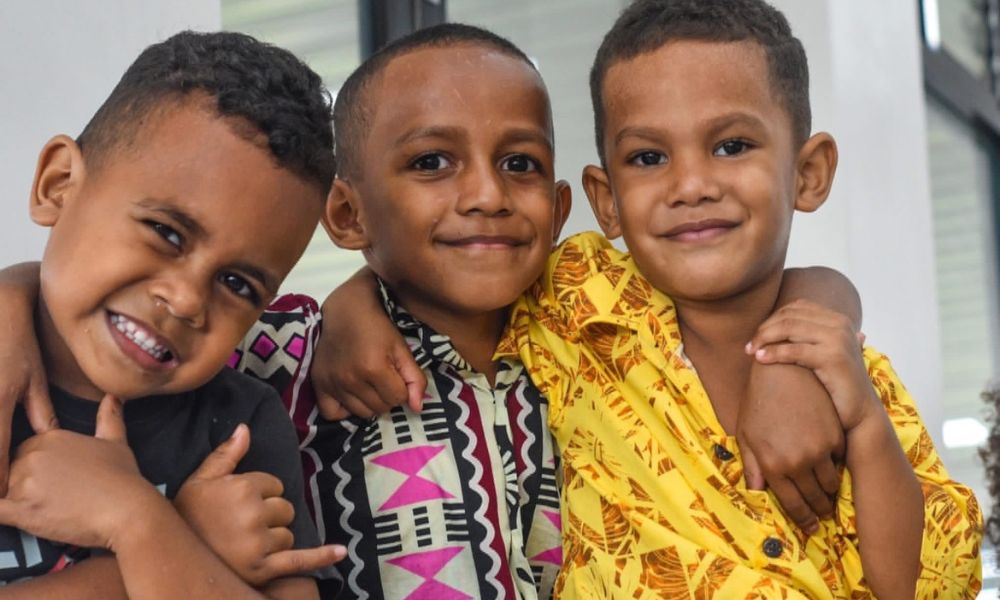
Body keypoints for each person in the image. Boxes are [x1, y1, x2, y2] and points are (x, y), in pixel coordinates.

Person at [315, 1, 983, 598]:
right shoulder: (578, 301)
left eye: (731, 145)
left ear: (807, 174)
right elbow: (449, 267)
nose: (691, 184)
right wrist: (355, 303)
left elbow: (921, 583)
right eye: (648, 158)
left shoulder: (849, 373)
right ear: (605, 200)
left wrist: (857, 418)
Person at [0, 30, 343, 598]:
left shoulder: (238, 425)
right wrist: (178, 538)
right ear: (58, 185)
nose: (186, 300)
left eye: (237, 283)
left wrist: (136, 522)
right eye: (167, 232)